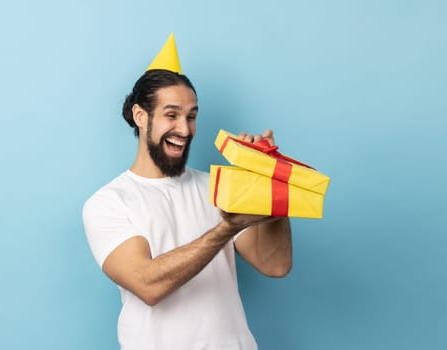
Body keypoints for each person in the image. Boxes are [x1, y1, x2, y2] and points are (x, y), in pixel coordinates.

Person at [82, 34, 292, 350]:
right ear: (141, 117)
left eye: (191, 116)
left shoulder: (218, 187)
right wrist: (225, 230)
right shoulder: (108, 203)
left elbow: (275, 265)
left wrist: (269, 184)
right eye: (172, 114)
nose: (185, 129)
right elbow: (147, 284)